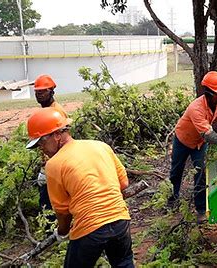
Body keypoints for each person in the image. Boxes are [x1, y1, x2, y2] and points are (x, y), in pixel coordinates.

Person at [26, 107, 134, 268]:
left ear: (57, 135)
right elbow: (124, 183)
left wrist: (62, 232)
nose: (41, 148)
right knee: (123, 263)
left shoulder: (54, 165)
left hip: (89, 227)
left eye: (41, 141)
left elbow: (62, 211)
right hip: (120, 220)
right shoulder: (100, 146)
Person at [167, 71, 217, 224]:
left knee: (200, 174)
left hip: (199, 144)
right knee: (176, 171)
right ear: (208, 93)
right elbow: (207, 134)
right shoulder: (196, 108)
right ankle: (172, 199)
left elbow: (216, 115)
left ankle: (201, 210)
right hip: (183, 140)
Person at [32, 74, 67, 222]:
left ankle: (54, 232)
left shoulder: (56, 112)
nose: (39, 95)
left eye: (43, 91)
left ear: (52, 91)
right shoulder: (46, 111)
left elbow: (61, 140)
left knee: (49, 202)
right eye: (37, 92)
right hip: (49, 162)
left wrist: (52, 166)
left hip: (55, 163)